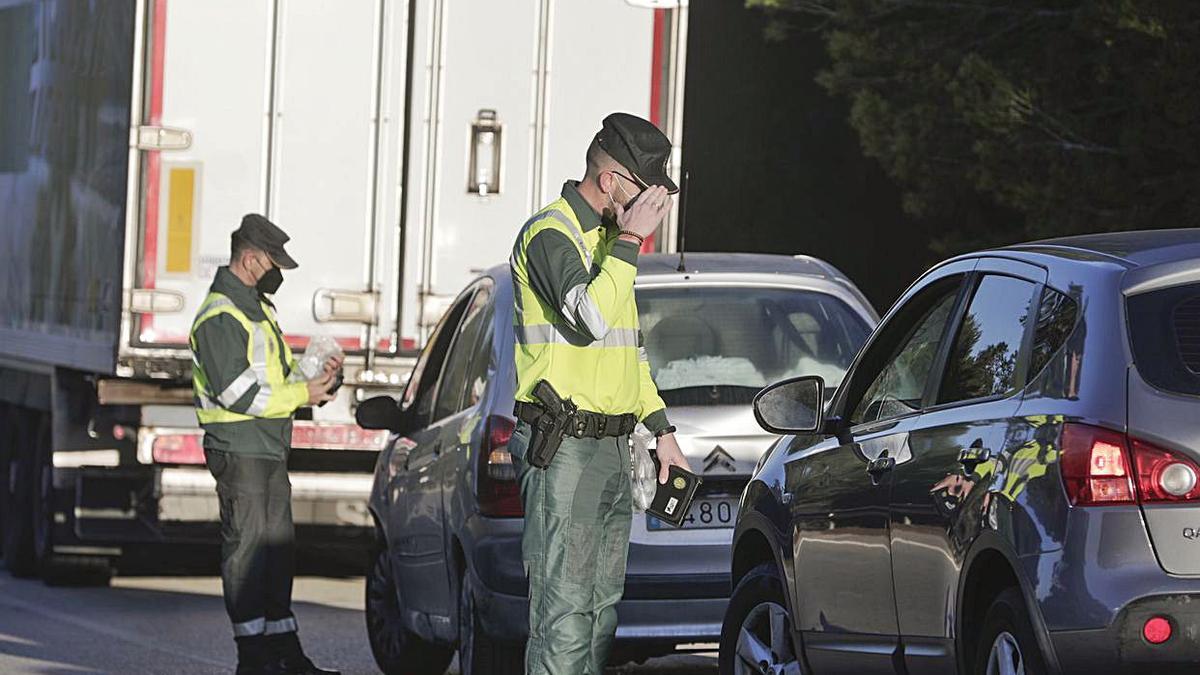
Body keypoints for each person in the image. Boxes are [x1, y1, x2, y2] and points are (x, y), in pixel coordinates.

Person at [509, 113, 693, 674]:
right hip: (562, 446)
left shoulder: (613, 245)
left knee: (599, 616)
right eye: (645, 193)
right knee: (564, 616)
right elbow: (587, 320)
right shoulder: (551, 234)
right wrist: (632, 240)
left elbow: (628, 352)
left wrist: (663, 433)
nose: (651, 209)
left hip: (615, 449)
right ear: (611, 180)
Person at [189, 214, 341, 675]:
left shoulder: (259, 308)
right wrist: (302, 394)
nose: (278, 273)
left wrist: (319, 378)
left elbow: (275, 379)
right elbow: (237, 392)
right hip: (239, 448)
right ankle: (252, 659)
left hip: (269, 446)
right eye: (273, 263)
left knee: (276, 549)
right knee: (249, 550)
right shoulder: (220, 316)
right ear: (250, 259)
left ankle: (284, 652)